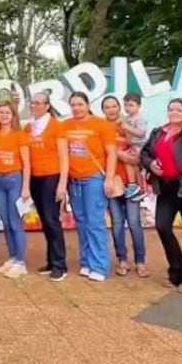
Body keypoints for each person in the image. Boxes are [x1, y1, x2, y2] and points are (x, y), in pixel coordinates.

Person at [140, 98, 182, 293]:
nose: (174, 112)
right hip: (166, 187)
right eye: (171, 109)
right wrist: (150, 164)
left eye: (179, 110)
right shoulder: (159, 132)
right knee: (162, 225)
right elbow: (144, 153)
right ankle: (177, 269)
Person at [63, 91, 117, 282]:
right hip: (73, 181)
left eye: (80, 104)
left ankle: (100, 265)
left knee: (95, 223)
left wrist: (109, 178)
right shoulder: (66, 126)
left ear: (87, 105)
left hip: (94, 179)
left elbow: (112, 153)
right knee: (81, 222)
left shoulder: (101, 125)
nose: (76, 108)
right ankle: (86, 261)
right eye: (73, 105)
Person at [101, 95, 149, 278]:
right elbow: (100, 154)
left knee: (134, 222)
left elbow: (138, 151)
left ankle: (140, 261)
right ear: (103, 110)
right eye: (107, 107)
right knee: (117, 223)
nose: (111, 110)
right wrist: (119, 155)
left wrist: (132, 158)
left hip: (131, 183)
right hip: (112, 181)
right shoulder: (101, 127)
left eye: (114, 106)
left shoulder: (127, 124)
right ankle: (122, 259)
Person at [23, 92, 69, 281]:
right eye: (32, 103)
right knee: (45, 220)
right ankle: (51, 261)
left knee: (52, 220)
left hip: (52, 177)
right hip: (35, 178)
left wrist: (62, 184)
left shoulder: (56, 127)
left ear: (47, 106)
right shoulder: (28, 128)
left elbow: (64, 157)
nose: (34, 106)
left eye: (38, 103)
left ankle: (60, 264)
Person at [0, 100, 30, 278]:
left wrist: (25, 187)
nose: (4, 115)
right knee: (5, 222)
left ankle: (21, 262)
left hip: (14, 179)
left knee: (15, 222)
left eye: (7, 112)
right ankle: (13, 257)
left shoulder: (19, 136)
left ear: (13, 116)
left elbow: (27, 164)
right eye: (1, 112)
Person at [116, 93, 147, 201]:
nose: (127, 108)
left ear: (138, 105)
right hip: (131, 145)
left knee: (133, 163)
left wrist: (127, 127)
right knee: (129, 163)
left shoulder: (140, 118)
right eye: (125, 105)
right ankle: (136, 186)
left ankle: (139, 187)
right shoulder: (126, 118)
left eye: (131, 105)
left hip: (140, 146)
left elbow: (141, 133)